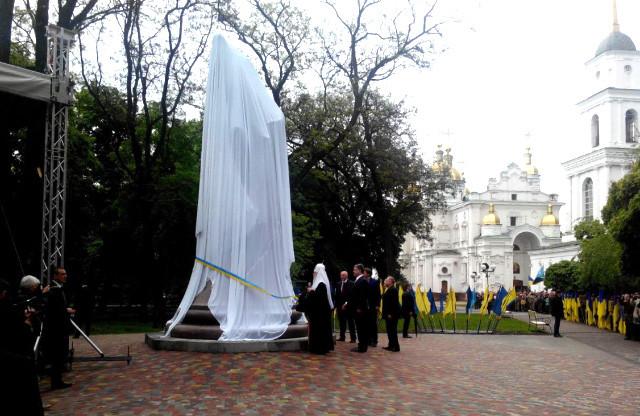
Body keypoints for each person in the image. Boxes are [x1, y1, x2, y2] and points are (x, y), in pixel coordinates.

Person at [0, 278, 44, 415]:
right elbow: (17, 335)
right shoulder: (8, 309)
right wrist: (26, 323)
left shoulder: (14, 305)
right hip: (17, 362)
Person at [43, 267, 75, 389]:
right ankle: (56, 381)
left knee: (59, 355)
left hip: (59, 327)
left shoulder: (57, 289)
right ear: (55, 276)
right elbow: (53, 309)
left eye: (65, 274)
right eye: (62, 274)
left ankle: (57, 380)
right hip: (56, 328)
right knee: (57, 355)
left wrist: (65, 310)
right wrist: (65, 311)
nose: (65, 276)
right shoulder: (53, 289)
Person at [305, 264, 334, 354]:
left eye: (315, 272)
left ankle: (320, 348)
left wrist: (311, 292)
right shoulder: (319, 284)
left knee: (320, 331)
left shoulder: (321, 284)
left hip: (320, 313)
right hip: (318, 312)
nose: (314, 273)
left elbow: (319, 299)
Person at [348, 264, 370, 353]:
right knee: (359, 328)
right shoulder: (358, 280)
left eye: (355, 269)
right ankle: (361, 345)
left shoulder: (362, 281)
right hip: (357, 308)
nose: (353, 271)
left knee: (361, 328)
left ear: (360, 270)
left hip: (360, 309)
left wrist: (360, 307)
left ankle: (362, 347)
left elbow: (363, 296)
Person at [334, 271, 356, 343]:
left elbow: (351, 295)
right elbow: (337, 296)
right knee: (341, 322)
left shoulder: (351, 283)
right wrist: (336, 306)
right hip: (339, 306)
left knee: (350, 323)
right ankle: (342, 336)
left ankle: (353, 338)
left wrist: (346, 303)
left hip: (349, 306)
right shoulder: (338, 284)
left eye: (343, 275)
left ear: (347, 275)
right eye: (341, 275)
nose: (342, 276)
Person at [382, 276, 400, 352]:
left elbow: (393, 303)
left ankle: (396, 347)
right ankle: (391, 345)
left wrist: (390, 313)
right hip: (388, 314)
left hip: (391, 314)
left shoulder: (393, 290)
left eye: (386, 280)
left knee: (392, 330)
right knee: (389, 330)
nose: (385, 281)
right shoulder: (388, 289)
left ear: (391, 282)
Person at [365, 267, 381, 347]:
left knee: (373, 324)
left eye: (364, 272)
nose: (363, 274)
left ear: (367, 273)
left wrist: (378, 305)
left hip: (373, 306)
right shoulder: (363, 281)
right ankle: (368, 340)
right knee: (366, 323)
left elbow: (378, 294)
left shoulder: (375, 282)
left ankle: (374, 340)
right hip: (365, 306)